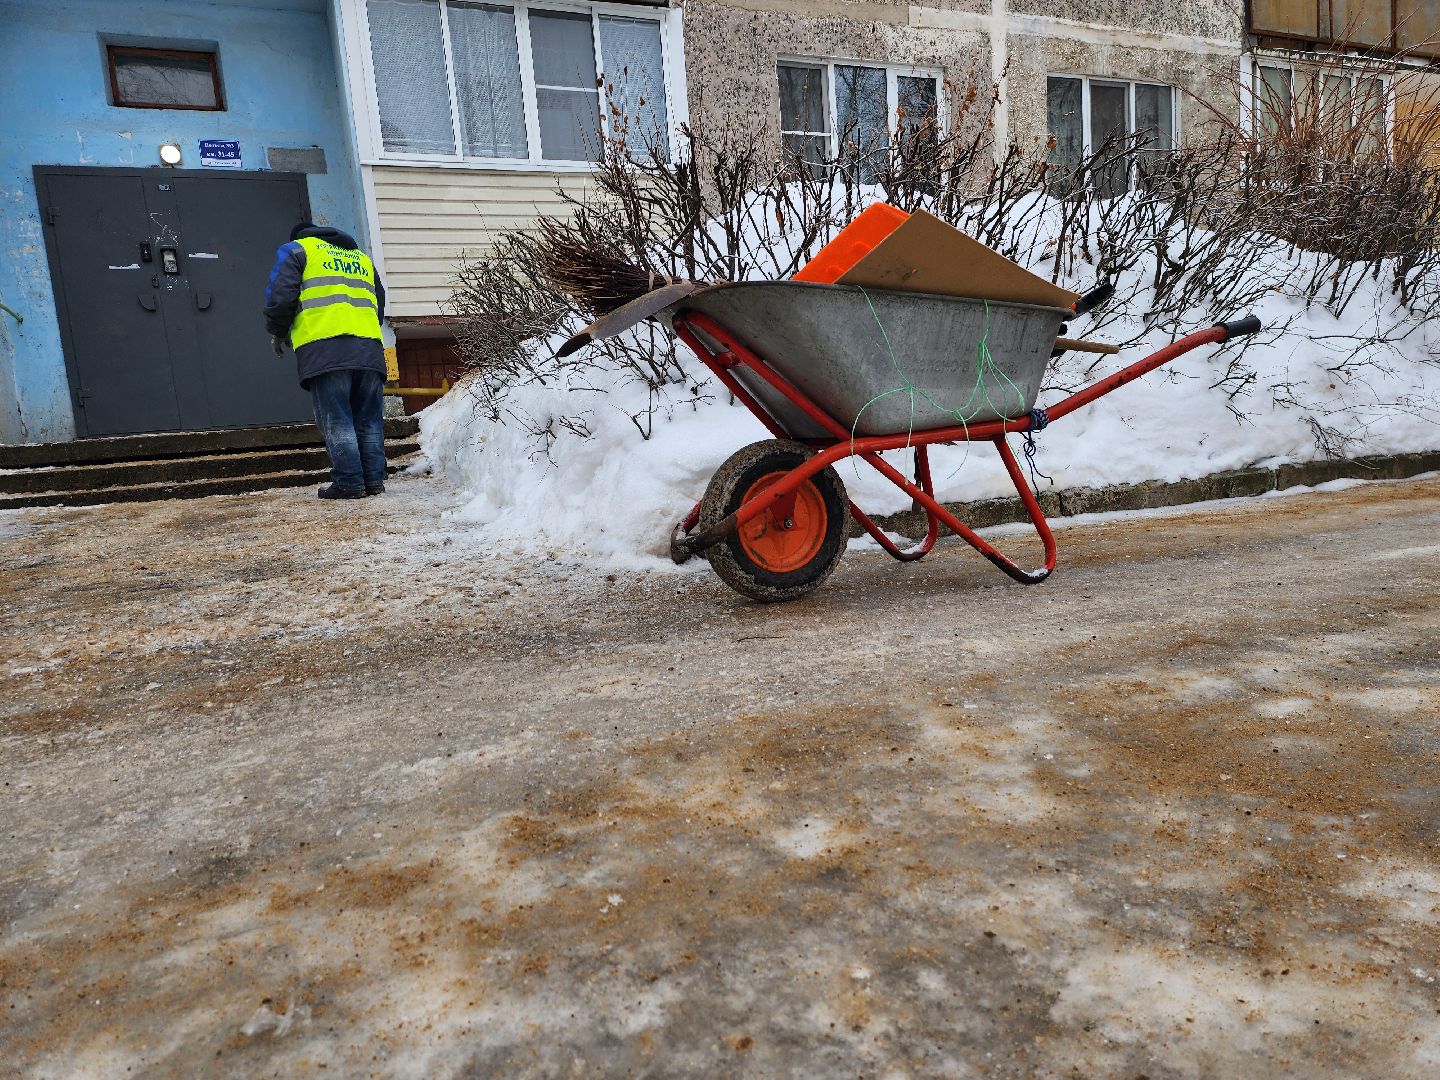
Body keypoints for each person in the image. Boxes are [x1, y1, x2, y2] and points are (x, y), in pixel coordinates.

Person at [264, 222, 389, 499]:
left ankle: (349, 482)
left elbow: (281, 298)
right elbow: (378, 303)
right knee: (369, 419)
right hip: (368, 347)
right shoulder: (360, 258)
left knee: (337, 418)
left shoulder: (297, 250)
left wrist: (278, 330)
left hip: (325, 348)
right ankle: (373, 481)